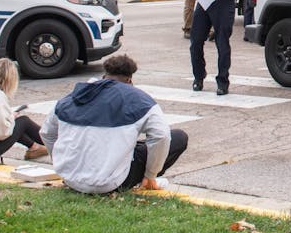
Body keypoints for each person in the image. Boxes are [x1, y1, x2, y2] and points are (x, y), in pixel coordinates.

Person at [40, 54, 188, 194]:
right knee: (179, 137)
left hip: (70, 179)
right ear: (129, 80)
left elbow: (46, 133)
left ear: (104, 76)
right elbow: (161, 137)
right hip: (111, 183)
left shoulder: (73, 95)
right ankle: (146, 181)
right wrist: (151, 174)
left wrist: (66, 164)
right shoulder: (139, 99)